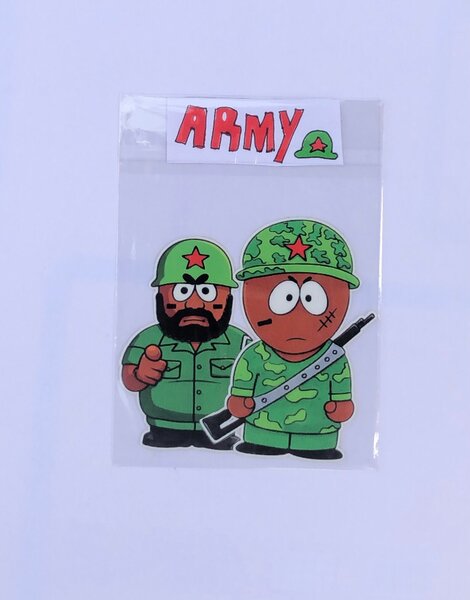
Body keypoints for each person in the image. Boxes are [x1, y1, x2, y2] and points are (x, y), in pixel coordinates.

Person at [227, 220, 360, 459]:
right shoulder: (254, 356)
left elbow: (341, 391)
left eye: (312, 298)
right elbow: (241, 391)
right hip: (261, 433)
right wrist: (239, 400)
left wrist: (342, 405)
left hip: (318, 436)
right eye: (284, 298)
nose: (298, 315)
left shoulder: (334, 358)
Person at [122, 239, 250, 449]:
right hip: (163, 430)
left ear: (228, 297)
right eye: (182, 291)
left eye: (207, 292)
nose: (194, 303)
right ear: (161, 296)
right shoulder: (148, 339)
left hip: (221, 431)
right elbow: (128, 380)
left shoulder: (239, 342)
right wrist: (139, 375)